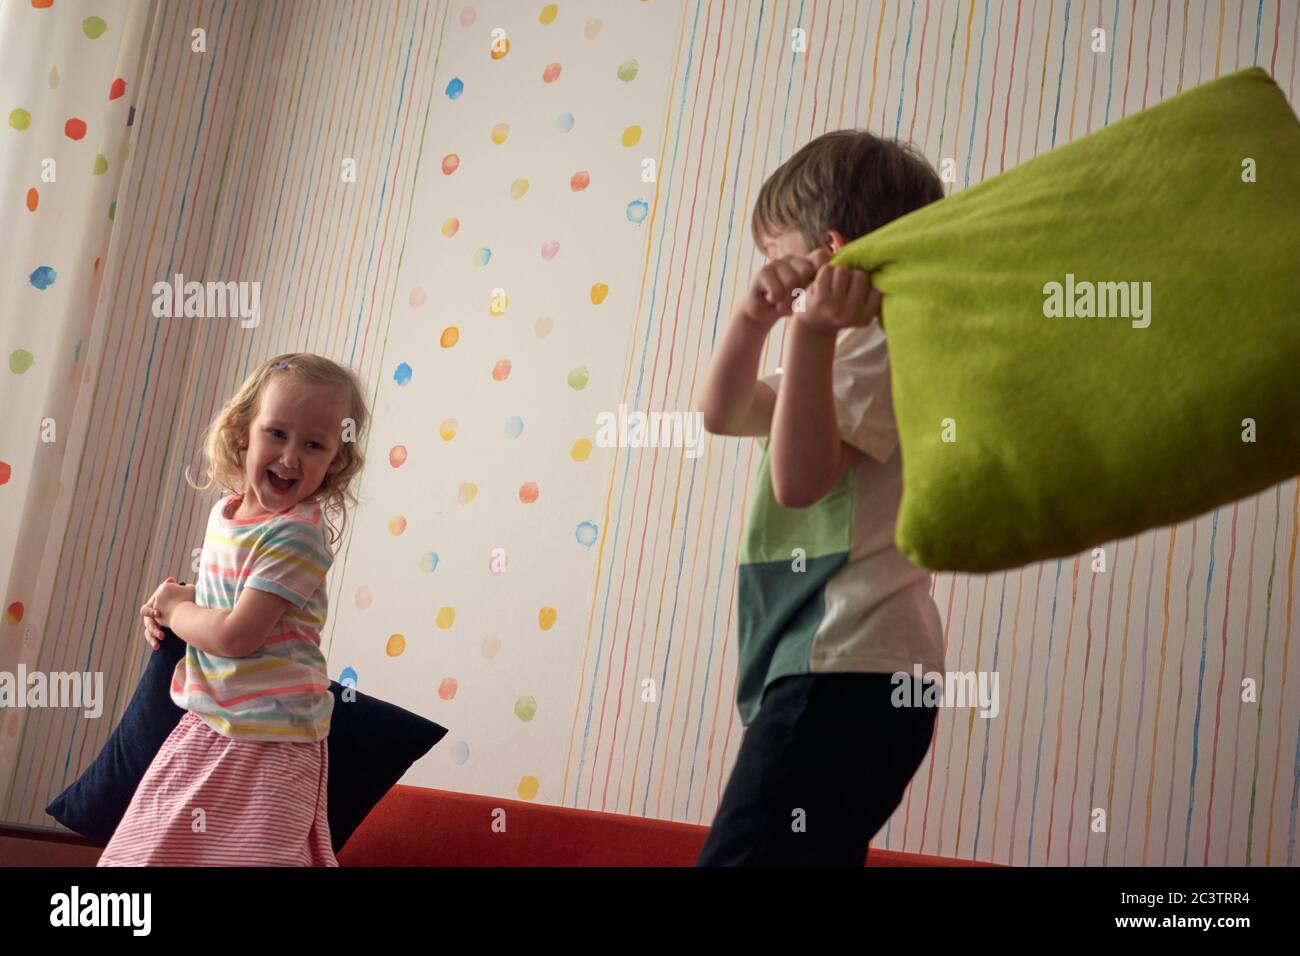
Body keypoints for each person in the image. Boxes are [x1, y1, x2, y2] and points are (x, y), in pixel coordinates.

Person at [696, 130, 947, 865]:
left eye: (775, 257)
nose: (770, 277)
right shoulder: (845, 351)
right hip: (838, 672)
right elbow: (723, 412)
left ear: (829, 250)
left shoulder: (881, 341)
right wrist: (752, 319)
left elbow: (800, 482)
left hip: (846, 667)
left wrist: (806, 333)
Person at [99, 353, 369, 866]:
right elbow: (220, 601)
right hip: (210, 720)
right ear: (245, 431)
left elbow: (236, 636)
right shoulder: (226, 512)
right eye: (277, 433)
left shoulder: (297, 533)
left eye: (313, 445)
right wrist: (172, 602)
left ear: (334, 460)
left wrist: (181, 611)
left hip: (273, 738)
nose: (291, 457)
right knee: (144, 852)